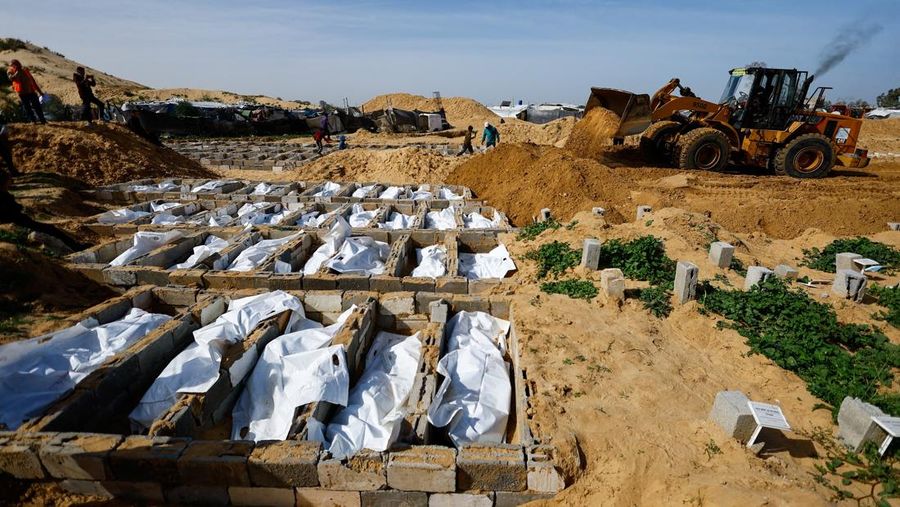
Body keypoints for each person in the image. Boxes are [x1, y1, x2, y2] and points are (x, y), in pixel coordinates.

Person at [6, 60, 46, 124]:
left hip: (31, 91)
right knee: (27, 108)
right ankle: (33, 121)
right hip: (22, 93)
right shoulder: (10, 71)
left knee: (37, 106)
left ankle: (43, 120)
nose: (16, 65)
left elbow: (32, 81)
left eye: (17, 64)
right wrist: (17, 72)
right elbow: (11, 78)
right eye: (13, 65)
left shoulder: (25, 70)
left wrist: (40, 92)